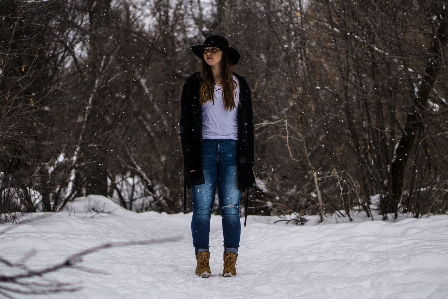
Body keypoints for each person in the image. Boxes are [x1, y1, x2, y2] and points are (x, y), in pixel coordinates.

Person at [180, 35, 255, 278]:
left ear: (224, 54)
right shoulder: (194, 83)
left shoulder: (239, 84)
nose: (208, 54)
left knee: (231, 209)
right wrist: (190, 162)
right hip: (204, 151)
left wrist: (248, 162)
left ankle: (230, 261)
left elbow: (249, 125)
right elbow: (185, 125)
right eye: (205, 50)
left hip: (233, 150)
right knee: (201, 209)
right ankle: (202, 260)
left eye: (213, 50)